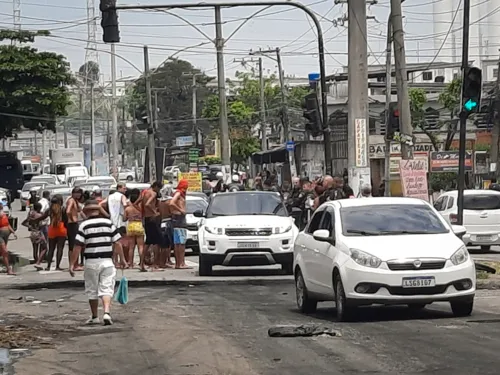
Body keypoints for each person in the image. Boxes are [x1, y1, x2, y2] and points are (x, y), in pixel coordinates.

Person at [70, 200, 126, 326]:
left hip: (91, 262)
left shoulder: (84, 225)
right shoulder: (108, 223)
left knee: (92, 290)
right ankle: (106, 312)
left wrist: (72, 264)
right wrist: (122, 259)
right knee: (106, 288)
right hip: (107, 261)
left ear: (87, 212)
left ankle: (95, 316)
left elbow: (78, 246)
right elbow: (117, 243)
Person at [139, 181, 163, 272]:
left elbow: (141, 203)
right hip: (152, 219)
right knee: (157, 242)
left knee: (148, 242)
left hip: (146, 218)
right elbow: (147, 204)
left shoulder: (145, 192)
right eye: (159, 189)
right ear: (156, 187)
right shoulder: (153, 193)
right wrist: (154, 212)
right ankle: (155, 265)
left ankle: (142, 264)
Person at [170, 179, 191, 269]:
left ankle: (179, 263)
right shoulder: (178, 193)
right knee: (181, 242)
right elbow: (171, 203)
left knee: (178, 242)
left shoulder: (179, 194)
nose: (185, 190)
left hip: (177, 219)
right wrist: (181, 210)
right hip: (179, 219)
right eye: (184, 188)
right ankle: (181, 263)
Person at [107, 183, 128, 268]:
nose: (125, 190)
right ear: (119, 188)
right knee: (121, 242)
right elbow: (125, 206)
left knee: (114, 242)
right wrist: (125, 217)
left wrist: (108, 215)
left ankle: (115, 261)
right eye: (124, 188)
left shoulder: (110, 197)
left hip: (112, 221)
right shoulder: (122, 196)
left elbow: (101, 204)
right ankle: (122, 261)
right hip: (120, 222)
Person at [124, 189, 144, 269]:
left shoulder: (128, 209)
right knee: (140, 246)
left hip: (131, 225)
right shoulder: (140, 208)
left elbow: (124, 219)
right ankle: (141, 263)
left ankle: (131, 264)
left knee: (131, 247)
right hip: (139, 225)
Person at [66, 188, 85, 271]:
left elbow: (80, 211)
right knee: (75, 245)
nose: (78, 195)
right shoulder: (71, 201)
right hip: (72, 224)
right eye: (77, 193)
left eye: (79, 193)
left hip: (72, 224)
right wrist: (72, 218)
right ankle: (75, 265)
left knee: (72, 245)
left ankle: (73, 264)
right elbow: (68, 211)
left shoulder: (74, 201)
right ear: (73, 193)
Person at [47, 196, 67, 271]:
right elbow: (66, 220)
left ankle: (48, 266)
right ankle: (57, 266)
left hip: (52, 229)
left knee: (51, 249)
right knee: (60, 249)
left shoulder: (50, 210)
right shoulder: (62, 209)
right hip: (61, 229)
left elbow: (43, 216)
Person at [30, 203, 49, 271]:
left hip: (32, 232)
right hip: (39, 232)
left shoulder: (31, 214)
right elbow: (41, 224)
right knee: (45, 248)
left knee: (35, 248)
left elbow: (25, 222)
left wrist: (30, 226)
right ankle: (38, 263)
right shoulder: (39, 215)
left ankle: (36, 260)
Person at [159, 186, 174, 268]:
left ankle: (165, 261)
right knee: (167, 244)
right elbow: (172, 212)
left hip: (162, 221)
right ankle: (165, 261)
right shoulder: (169, 202)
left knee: (163, 244)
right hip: (168, 221)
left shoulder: (160, 202)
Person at [0, 203, 16, 275]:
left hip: (5, 235)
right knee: (5, 251)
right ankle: (9, 270)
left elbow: (7, 224)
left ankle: (7, 268)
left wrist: (13, 232)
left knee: (3, 252)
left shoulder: (3, 214)